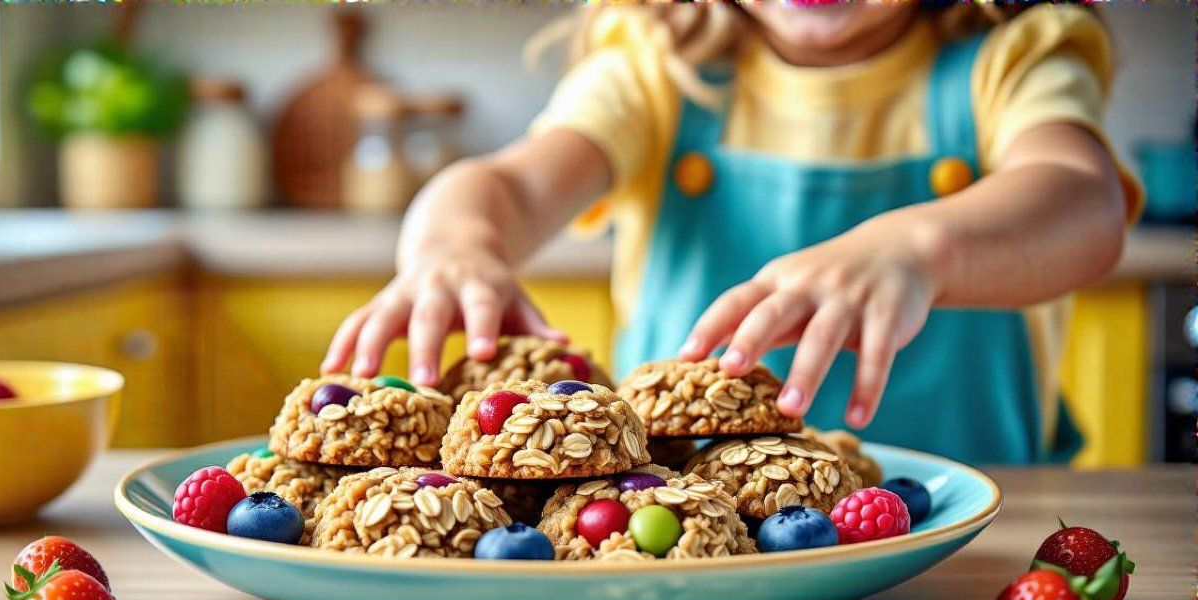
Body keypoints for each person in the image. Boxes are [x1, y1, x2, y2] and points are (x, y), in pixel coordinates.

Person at [321, 0, 1141, 464]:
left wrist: (920, 248)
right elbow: (502, 185)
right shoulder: (657, 69)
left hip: (971, 531)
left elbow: (1083, 203)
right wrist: (454, 247)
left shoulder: (1010, 58)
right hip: (688, 559)